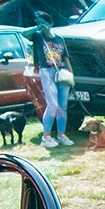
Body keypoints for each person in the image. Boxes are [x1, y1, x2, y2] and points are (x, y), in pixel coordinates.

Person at [27, 9, 74, 147]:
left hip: (62, 72)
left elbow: (65, 57)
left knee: (62, 106)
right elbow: (24, 34)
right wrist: (37, 28)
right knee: (52, 104)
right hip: (47, 71)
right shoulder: (37, 36)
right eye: (38, 22)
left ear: (51, 23)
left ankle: (61, 134)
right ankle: (45, 137)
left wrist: (72, 75)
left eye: (44, 22)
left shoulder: (59, 38)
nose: (41, 25)